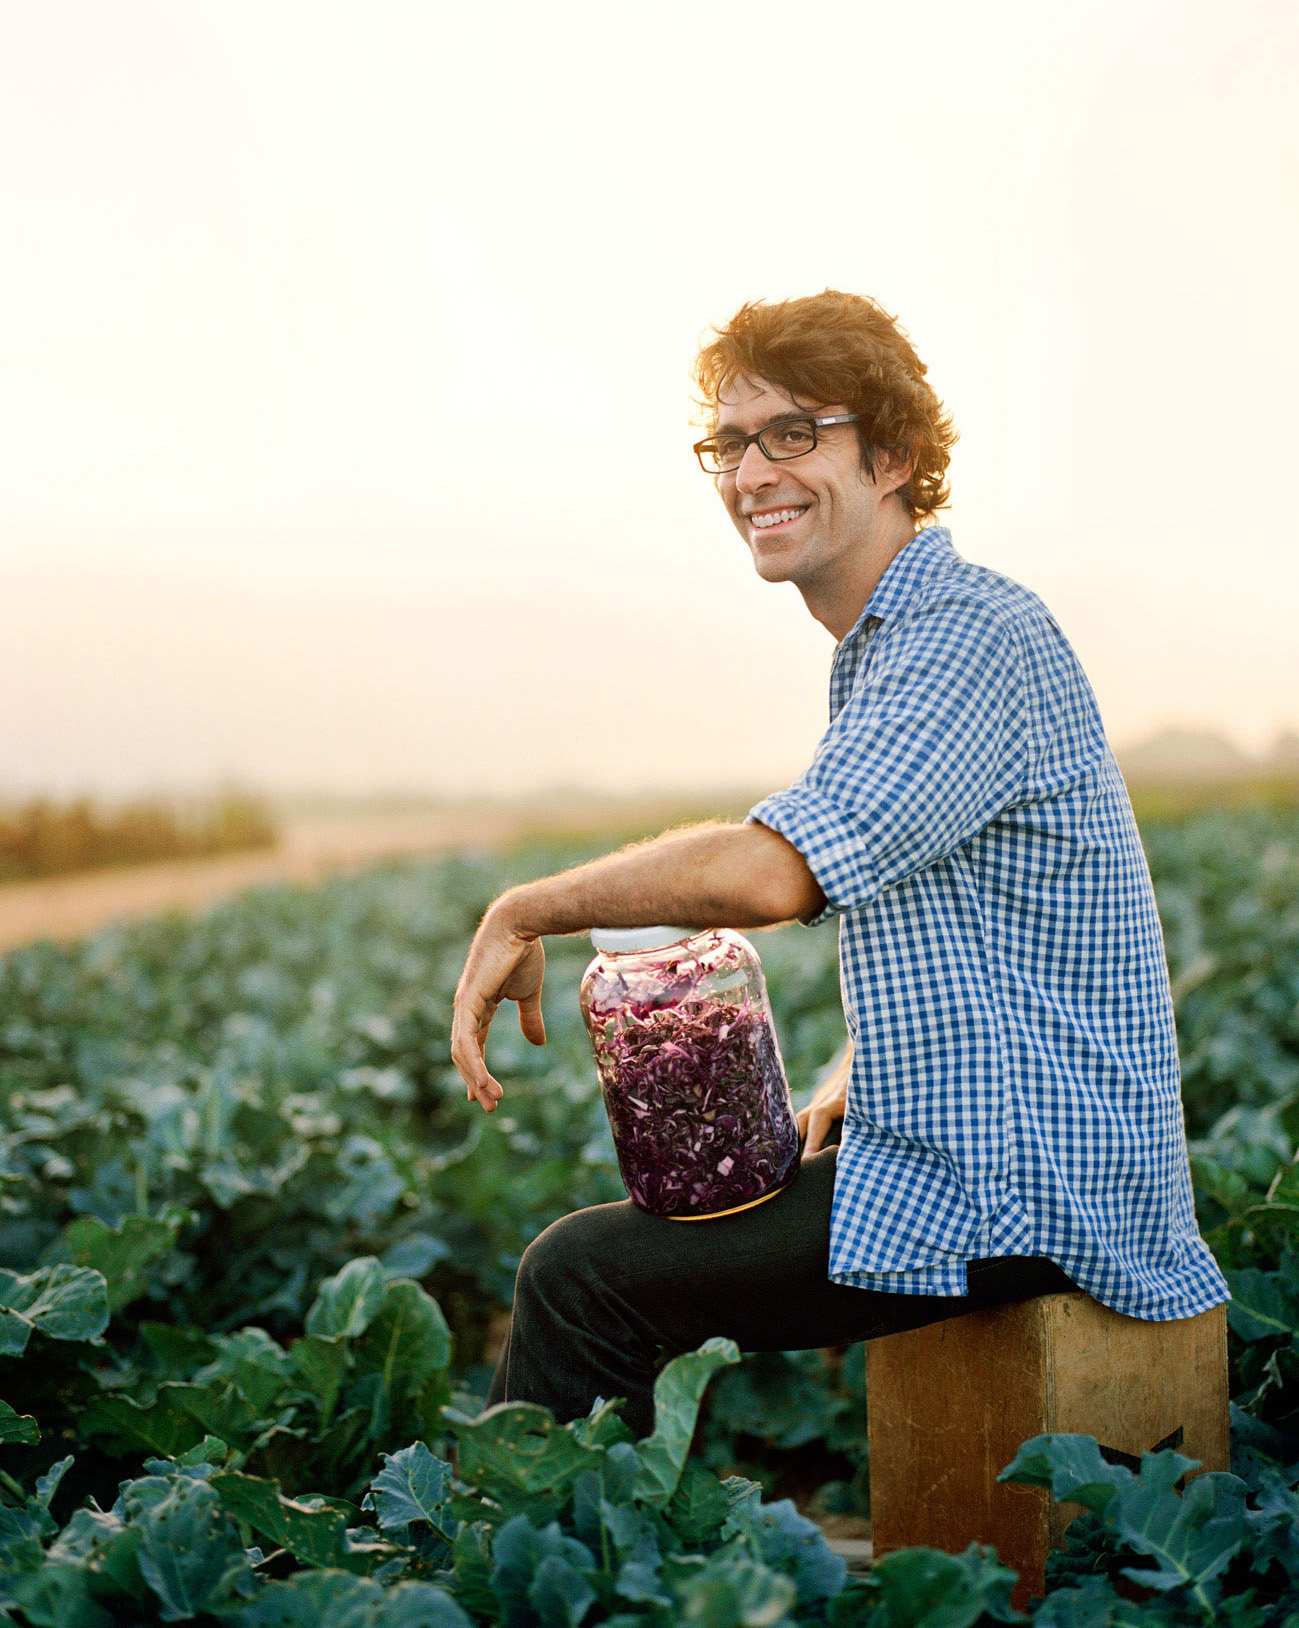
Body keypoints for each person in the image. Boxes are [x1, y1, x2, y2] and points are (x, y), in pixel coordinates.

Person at [450, 289, 1230, 1436]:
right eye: (729, 441)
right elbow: (982, 902)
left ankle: (532, 1588)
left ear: (894, 453)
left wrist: (531, 906)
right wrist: (863, 1065)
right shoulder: (898, 644)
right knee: (699, 1195)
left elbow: (777, 871)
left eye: (794, 432)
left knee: (580, 1275)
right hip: (989, 1152)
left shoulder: (965, 635)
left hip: (1033, 1193)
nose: (751, 470)